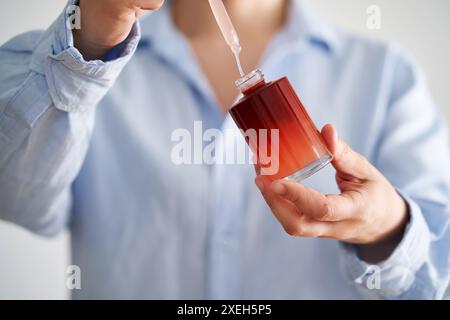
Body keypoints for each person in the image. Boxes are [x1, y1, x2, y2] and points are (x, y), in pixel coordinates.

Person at [0, 0, 449, 299]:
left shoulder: (384, 75)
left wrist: (387, 229)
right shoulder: (83, 52)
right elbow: (19, 201)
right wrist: (88, 46)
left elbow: (437, 277)